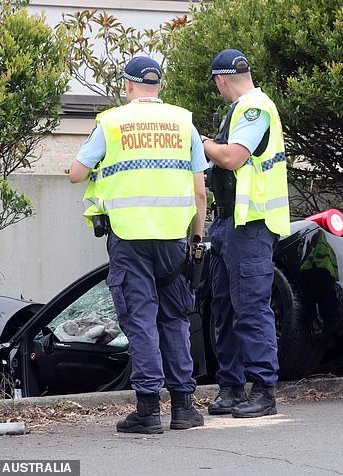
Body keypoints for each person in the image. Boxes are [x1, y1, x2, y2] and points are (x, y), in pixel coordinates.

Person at [69, 56, 208, 434]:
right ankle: (183, 408)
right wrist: (197, 237)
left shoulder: (112, 122)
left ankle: (148, 410)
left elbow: (75, 174)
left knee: (141, 321)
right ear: (159, 87)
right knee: (175, 319)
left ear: (128, 86)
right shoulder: (184, 122)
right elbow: (199, 190)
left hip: (130, 239)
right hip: (174, 240)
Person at [202, 49, 290, 418]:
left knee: (251, 308)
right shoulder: (239, 110)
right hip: (227, 223)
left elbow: (233, 158)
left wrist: (201, 142)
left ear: (221, 79)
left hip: (250, 226)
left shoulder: (255, 108)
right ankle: (232, 388)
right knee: (223, 307)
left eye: (217, 84)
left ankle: (263, 392)